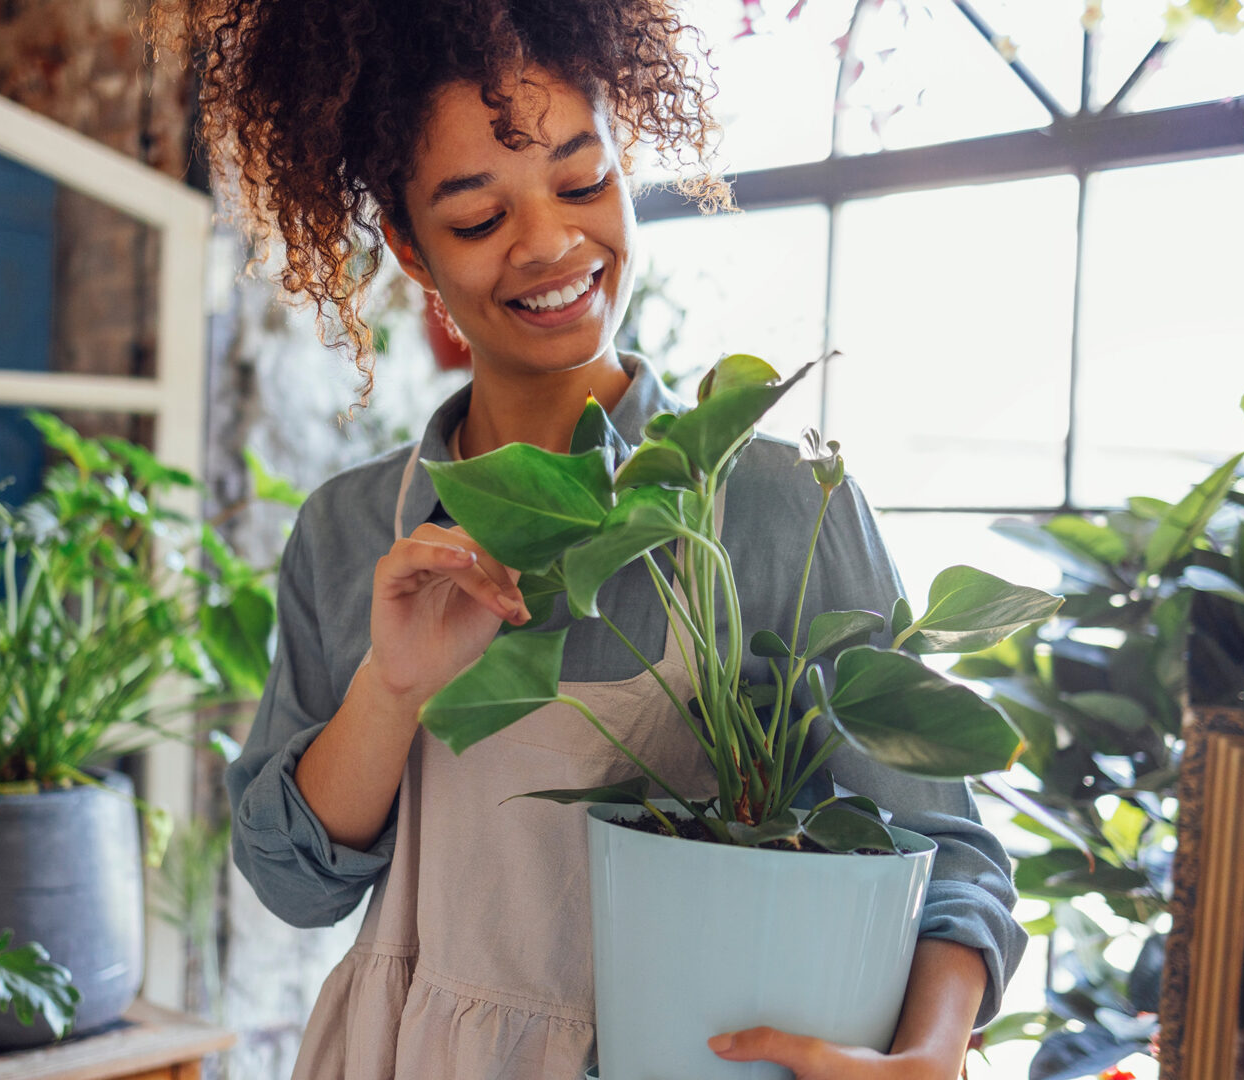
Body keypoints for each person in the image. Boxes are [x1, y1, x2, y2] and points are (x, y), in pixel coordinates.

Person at [169, 2, 1025, 1077]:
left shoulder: (769, 501)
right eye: (478, 219)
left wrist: (932, 1054)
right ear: (411, 249)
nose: (551, 243)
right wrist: (390, 690)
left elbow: (947, 855)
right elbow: (296, 885)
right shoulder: (355, 531)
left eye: (584, 182)